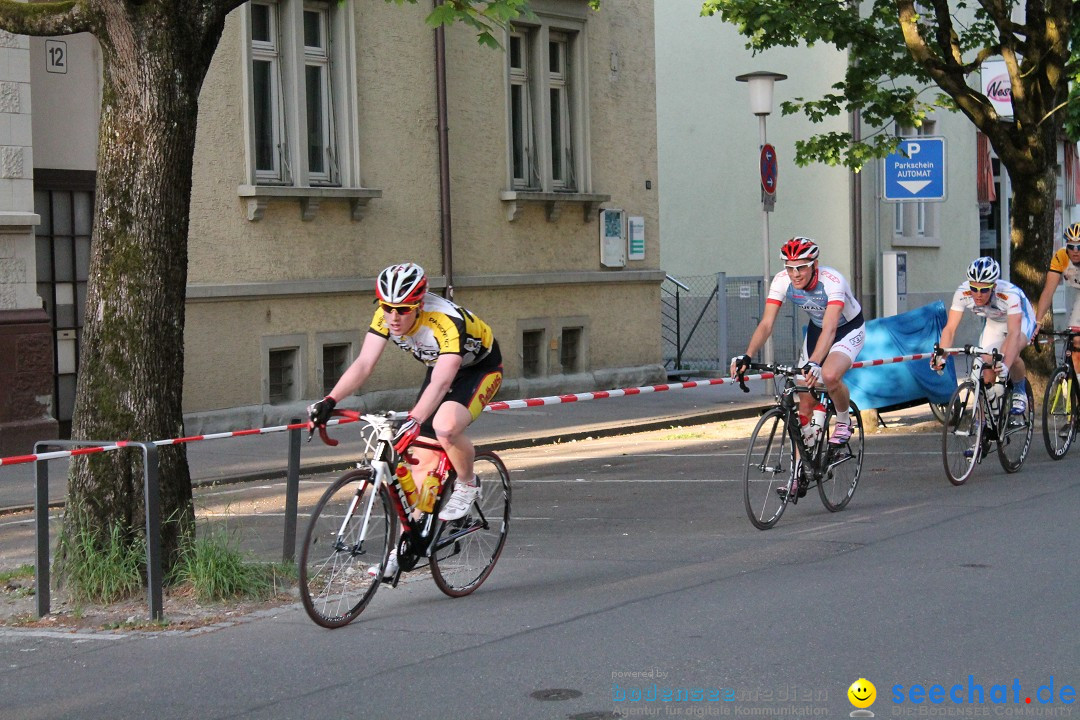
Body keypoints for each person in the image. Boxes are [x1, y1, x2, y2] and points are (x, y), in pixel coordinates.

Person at [308, 263, 503, 577]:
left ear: (420, 304)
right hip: (439, 367)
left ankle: (467, 484)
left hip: (478, 370)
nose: (394, 317)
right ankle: (405, 548)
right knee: (415, 469)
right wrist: (330, 400)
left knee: (444, 426)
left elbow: (442, 382)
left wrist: (414, 420)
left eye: (403, 309)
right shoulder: (386, 316)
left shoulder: (444, 322)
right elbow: (364, 363)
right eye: (387, 308)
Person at [730, 237, 865, 453]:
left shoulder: (833, 281)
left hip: (846, 329)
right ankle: (801, 469)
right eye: (790, 268)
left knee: (829, 376)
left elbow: (831, 328)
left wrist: (814, 362)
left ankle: (843, 421)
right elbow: (766, 324)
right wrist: (747, 355)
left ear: (815, 266)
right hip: (817, 329)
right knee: (804, 398)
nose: (795, 274)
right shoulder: (782, 281)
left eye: (801, 267)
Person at [931, 256, 1035, 415]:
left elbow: (1014, 333)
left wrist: (1006, 365)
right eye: (974, 288)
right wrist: (942, 356)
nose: (978, 294)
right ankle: (989, 415)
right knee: (987, 368)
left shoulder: (1009, 294)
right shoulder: (962, 292)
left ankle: (1020, 390)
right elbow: (950, 328)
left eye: (984, 290)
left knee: (1008, 354)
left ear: (993, 287)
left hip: (1019, 320)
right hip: (995, 322)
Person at [1033, 222, 1080, 378]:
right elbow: (1048, 291)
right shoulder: (1061, 257)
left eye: (1079, 247)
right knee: (1075, 341)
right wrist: (1038, 322)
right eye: (1071, 246)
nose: (1075, 251)